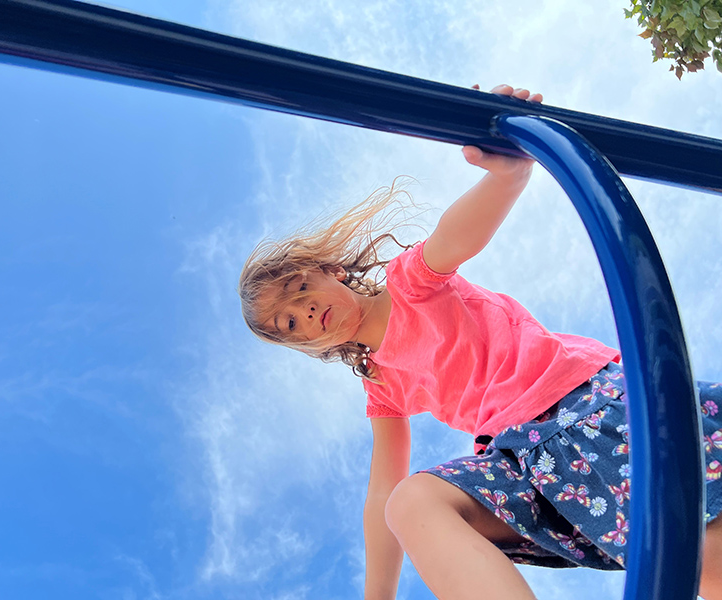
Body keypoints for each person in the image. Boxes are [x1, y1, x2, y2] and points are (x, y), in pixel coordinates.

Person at [237, 84, 722, 600]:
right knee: (411, 501)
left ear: (331, 271)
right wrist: (377, 594)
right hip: (530, 463)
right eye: (289, 323)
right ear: (305, 344)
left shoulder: (410, 283)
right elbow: (382, 489)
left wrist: (507, 176)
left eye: (300, 288)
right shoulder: (382, 386)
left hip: (586, 406)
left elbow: (455, 237)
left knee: (705, 564)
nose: (304, 311)